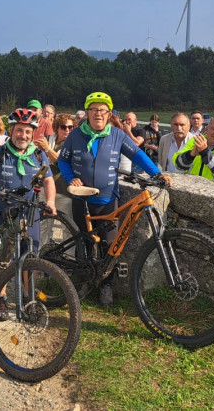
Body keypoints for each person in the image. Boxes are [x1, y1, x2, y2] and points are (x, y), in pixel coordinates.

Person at [57, 92, 163, 307]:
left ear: (108, 114)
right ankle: (84, 282)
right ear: (87, 113)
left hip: (107, 200)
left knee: (110, 244)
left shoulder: (117, 134)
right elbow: (63, 161)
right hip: (82, 200)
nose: (98, 113)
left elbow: (138, 155)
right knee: (84, 240)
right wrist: (71, 178)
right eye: (94, 109)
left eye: (102, 110)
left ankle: (106, 285)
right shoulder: (76, 135)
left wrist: (156, 174)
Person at [0, 108, 56, 320]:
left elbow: (48, 180)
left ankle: (29, 298)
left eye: (28, 132)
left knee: (30, 255)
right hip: (5, 212)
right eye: (19, 131)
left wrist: (52, 201)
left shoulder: (38, 154)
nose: (23, 136)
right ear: (11, 130)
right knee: (3, 257)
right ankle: (0, 299)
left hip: (31, 212)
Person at [34, 113, 77, 243]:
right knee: (43, 226)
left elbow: (62, 163)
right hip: (46, 189)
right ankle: (41, 256)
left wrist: (47, 149)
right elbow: (43, 165)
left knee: (67, 229)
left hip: (65, 191)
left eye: (71, 127)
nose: (68, 130)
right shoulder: (50, 141)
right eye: (64, 127)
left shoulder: (73, 144)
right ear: (57, 128)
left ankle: (69, 259)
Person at [173, 116, 214, 183]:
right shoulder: (195, 141)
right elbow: (177, 164)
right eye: (213, 129)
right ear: (207, 129)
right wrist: (190, 155)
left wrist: (204, 152)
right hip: (193, 188)